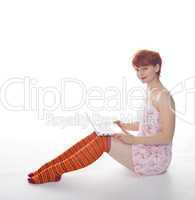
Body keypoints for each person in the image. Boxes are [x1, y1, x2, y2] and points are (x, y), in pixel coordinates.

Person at [27, 49, 175, 184]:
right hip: (144, 147)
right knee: (99, 133)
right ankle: (48, 168)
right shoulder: (150, 91)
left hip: (155, 158)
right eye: (137, 70)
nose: (140, 73)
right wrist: (124, 125)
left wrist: (133, 139)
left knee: (102, 140)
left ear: (156, 68)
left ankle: (53, 172)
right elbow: (149, 123)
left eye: (145, 69)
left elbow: (166, 136)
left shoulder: (163, 97)